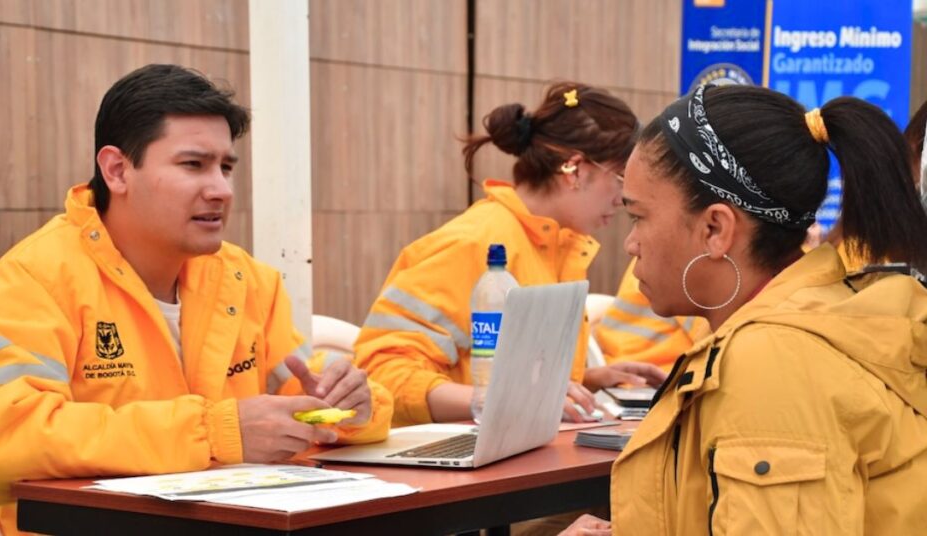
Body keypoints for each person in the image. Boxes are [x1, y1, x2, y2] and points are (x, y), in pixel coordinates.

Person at [0, 64, 393, 535]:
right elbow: (1, 441)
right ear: (117, 170)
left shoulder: (246, 280)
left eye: (225, 166)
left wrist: (351, 408)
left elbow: (298, 399)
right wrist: (216, 433)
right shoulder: (35, 277)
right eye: (193, 165)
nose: (221, 189)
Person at [564, 85, 927, 534]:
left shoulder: (773, 361)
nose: (630, 243)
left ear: (716, 228)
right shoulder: (811, 318)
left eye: (638, 217)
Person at [352, 82, 666, 428]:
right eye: (621, 178)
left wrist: (589, 380)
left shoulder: (557, 247)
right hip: (463, 467)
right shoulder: (473, 242)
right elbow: (381, 377)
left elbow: (503, 372)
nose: (624, 199)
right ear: (574, 170)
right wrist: (506, 399)